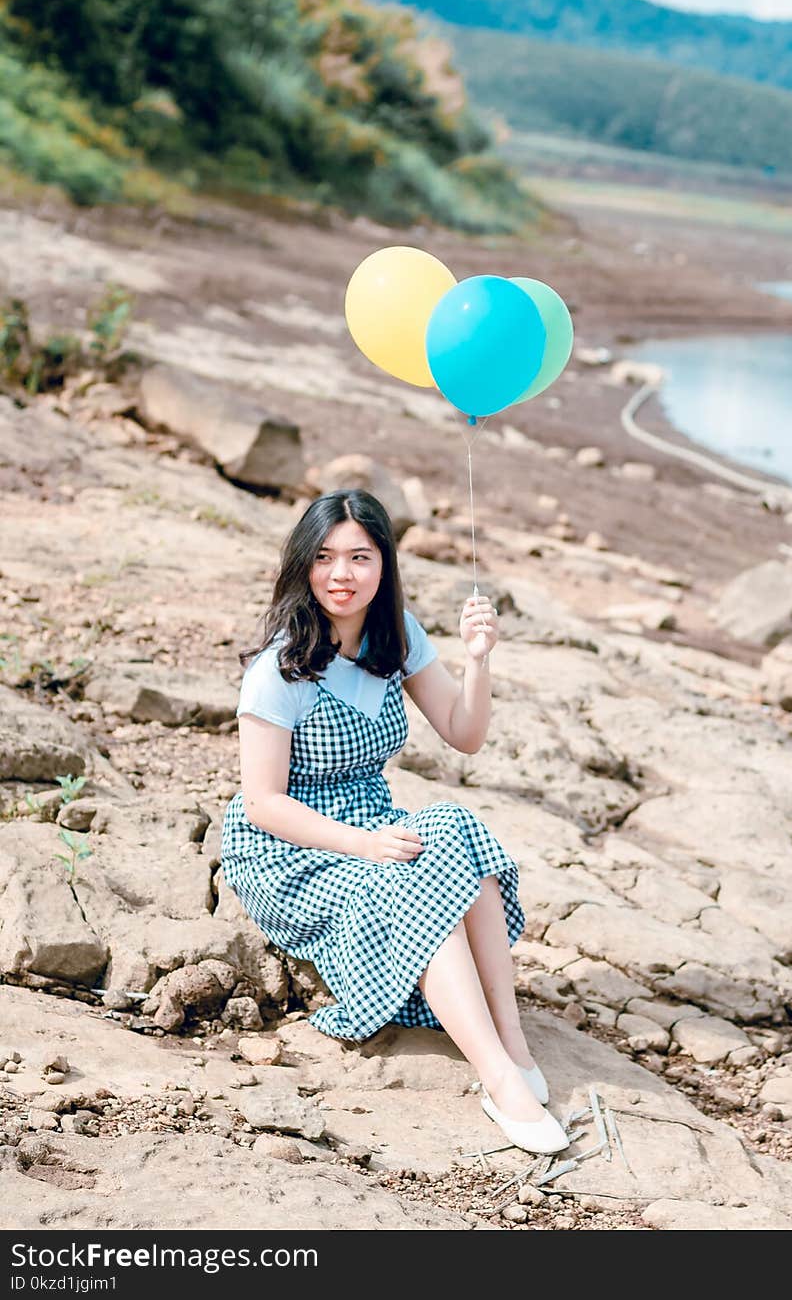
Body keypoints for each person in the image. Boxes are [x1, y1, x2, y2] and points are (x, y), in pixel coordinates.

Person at [220, 488, 569, 1155]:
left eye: (359, 556)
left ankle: (512, 1038)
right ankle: (500, 1080)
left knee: (457, 830)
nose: (341, 574)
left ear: (384, 564)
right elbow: (263, 802)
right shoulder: (280, 668)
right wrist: (362, 843)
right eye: (323, 558)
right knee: (407, 875)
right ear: (303, 565)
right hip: (289, 848)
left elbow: (464, 734)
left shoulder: (396, 635)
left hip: (373, 822)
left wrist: (478, 657)